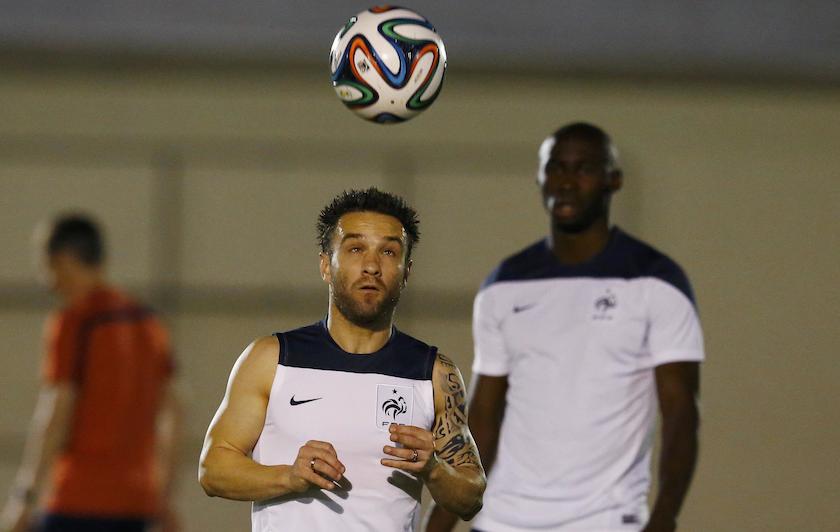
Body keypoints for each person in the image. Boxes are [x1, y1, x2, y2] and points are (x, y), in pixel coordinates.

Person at [426, 123, 704, 532]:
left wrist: (664, 518)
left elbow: (681, 413)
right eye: (555, 168)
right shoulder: (504, 284)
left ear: (613, 180)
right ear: (539, 178)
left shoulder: (657, 281)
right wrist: (438, 524)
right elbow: (483, 418)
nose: (567, 181)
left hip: (607, 520)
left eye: (584, 168)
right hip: (502, 519)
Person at [198, 188, 486, 531]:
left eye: (388, 251)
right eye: (355, 249)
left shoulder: (434, 373)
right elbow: (213, 469)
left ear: (406, 271)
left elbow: (471, 498)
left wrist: (434, 469)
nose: (371, 266)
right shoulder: (272, 359)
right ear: (325, 265)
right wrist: (289, 477)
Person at [1, 214, 181, 532]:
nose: (47, 280)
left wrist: (24, 498)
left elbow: (56, 412)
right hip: (136, 503)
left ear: (63, 261)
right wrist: (164, 495)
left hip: (79, 499)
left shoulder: (76, 321)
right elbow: (174, 411)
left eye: (47, 266)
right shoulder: (149, 324)